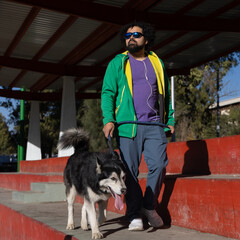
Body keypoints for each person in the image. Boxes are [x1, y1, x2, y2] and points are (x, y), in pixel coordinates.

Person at [101, 21, 175, 231]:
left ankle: (148, 206)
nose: (131, 37)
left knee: (159, 165)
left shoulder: (157, 62)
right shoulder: (118, 62)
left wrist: (169, 119)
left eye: (136, 34)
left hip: (154, 124)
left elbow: (165, 94)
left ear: (146, 39)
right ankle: (134, 214)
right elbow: (108, 92)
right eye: (127, 35)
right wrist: (108, 119)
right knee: (130, 172)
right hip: (127, 126)